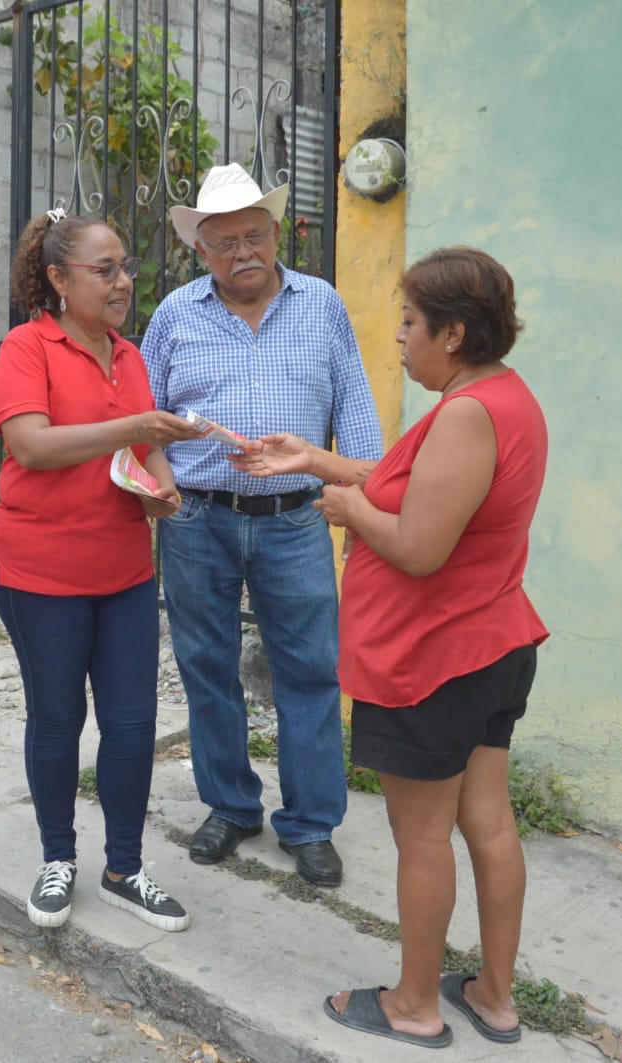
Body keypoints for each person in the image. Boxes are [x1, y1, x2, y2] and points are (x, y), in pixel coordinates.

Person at [233, 247, 547, 1049]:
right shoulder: (501, 398)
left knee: (421, 835)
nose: (399, 338)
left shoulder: (467, 414)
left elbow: (416, 544)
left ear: (452, 330)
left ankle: (414, 1003)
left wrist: (344, 509)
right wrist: (315, 458)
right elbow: (416, 483)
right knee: (489, 823)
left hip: (434, 658)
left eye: (409, 322)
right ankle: (494, 995)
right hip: (490, 643)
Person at [141, 163, 383, 888]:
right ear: (201, 251)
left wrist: (362, 487)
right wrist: (160, 481)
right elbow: (144, 415)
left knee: (309, 670)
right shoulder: (175, 315)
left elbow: (356, 405)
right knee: (207, 665)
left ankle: (310, 824)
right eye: (225, 242)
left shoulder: (323, 304)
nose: (243, 252)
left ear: (278, 234)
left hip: (294, 517)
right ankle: (231, 805)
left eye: (255, 236)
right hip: (199, 519)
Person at [0, 209, 203, 934]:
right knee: (58, 717)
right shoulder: (28, 348)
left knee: (135, 723)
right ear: (58, 278)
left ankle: (124, 866)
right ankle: (57, 858)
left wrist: (162, 481)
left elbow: (147, 447)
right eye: (104, 269)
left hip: (124, 571)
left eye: (125, 268)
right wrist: (137, 432)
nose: (122, 283)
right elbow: (34, 447)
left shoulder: (129, 355)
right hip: (40, 570)